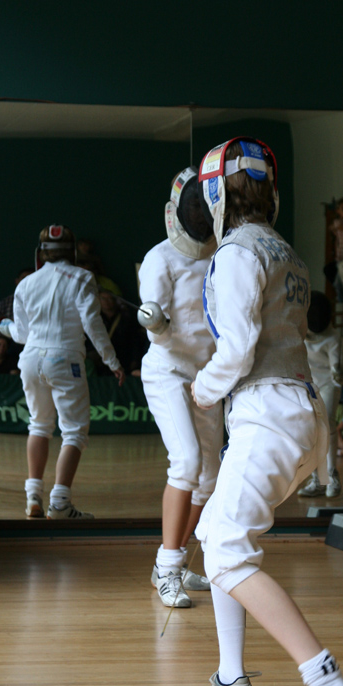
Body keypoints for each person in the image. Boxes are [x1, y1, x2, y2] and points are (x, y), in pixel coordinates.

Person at [192, 137, 343, 686]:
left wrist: (203, 387)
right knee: (215, 530)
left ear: (216, 195)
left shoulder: (238, 252)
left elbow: (237, 347)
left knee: (227, 554)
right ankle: (231, 675)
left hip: (267, 412)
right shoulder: (285, 250)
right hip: (301, 411)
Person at [137, 167, 223, 608]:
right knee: (186, 461)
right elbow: (157, 329)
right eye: (195, 206)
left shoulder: (224, 256)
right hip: (168, 373)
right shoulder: (160, 259)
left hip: (207, 378)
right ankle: (168, 567)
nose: (200, 213)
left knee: (209, 480)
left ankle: (171, 564)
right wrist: (155, 319)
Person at [0, 225, 125, 519]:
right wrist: (112, 361)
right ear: (72, 252)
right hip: (65, 359)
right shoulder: (82, 278)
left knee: (39, 425)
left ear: (42, 254)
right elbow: (93, 325)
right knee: (74, 432)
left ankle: (33, 498)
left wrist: (4, 327)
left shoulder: (26, 284)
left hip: (30, 360)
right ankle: (59, 503)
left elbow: (20, 334)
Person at [297, 291, 343, 497]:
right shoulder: (299, 332)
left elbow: (338, 371)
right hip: (309, 385)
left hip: (328, 385)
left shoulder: (334, 338)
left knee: (327, 426)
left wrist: (338, 371)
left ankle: (332, 475)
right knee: (312, 431)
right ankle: (319, 478)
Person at [323, 198, 343, 287]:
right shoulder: (337, 222)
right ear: (338, 211)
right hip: (340, 257)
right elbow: (334, 227)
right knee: (328, 270)